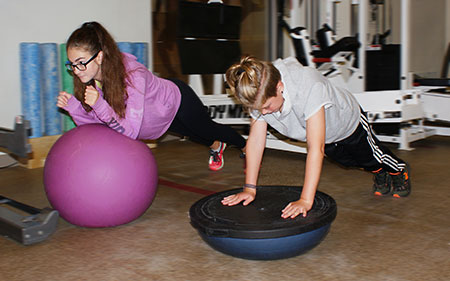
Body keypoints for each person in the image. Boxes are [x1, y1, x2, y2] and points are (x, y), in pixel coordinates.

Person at [221, 55, 411, 218]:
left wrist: (305, 200)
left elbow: (315, 149)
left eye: (267, 106)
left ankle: (398, 169)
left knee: (371, 156)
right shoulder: (259, 90)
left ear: (279, 87)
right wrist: (249, 189)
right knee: (348, 162)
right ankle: (379, 173)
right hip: (327, 135)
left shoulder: (309, 87)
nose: (263, 113)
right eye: (257, 109)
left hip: (348, 123)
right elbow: (255, 142)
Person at [56, 21, 246, 171]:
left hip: (177, 100)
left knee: (206, 129)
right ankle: (216, 146)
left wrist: (99, 105)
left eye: (80, 62)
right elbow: (97, 127)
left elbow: (130, 132)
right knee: (192, 135)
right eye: (72, 64)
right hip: (158, 116)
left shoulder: (132, 76)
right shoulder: (90, 80)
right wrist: (75, 109)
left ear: (98, 57)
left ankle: (247, 149)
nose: (76, 70)